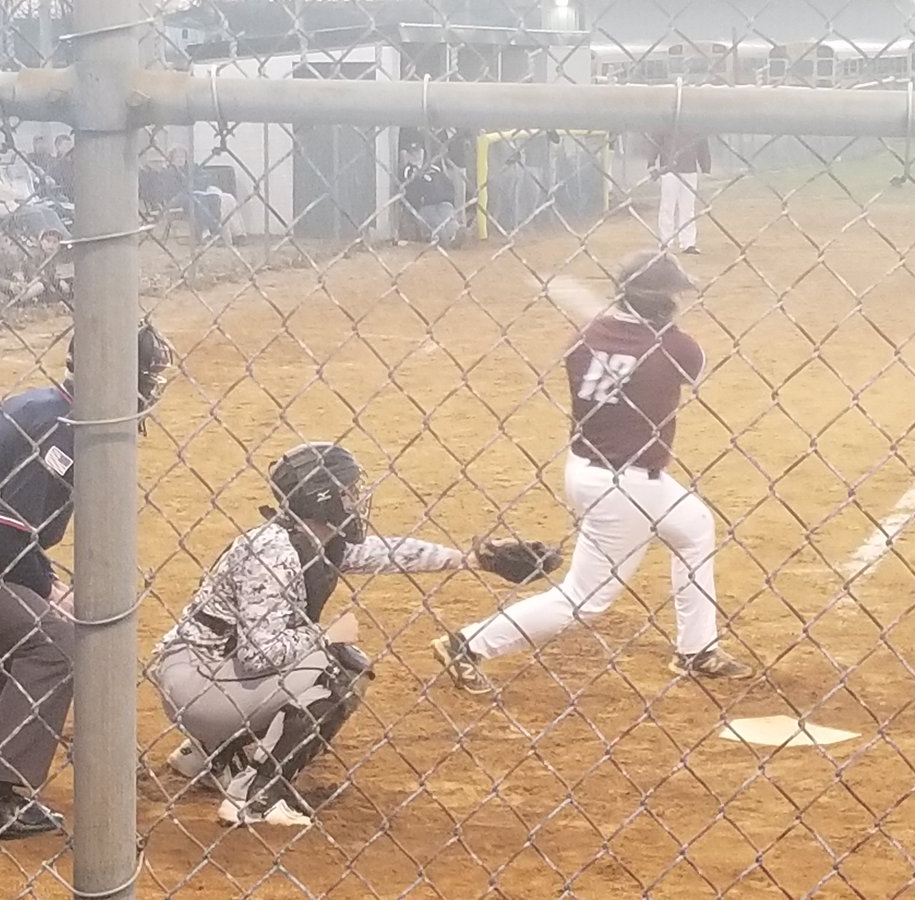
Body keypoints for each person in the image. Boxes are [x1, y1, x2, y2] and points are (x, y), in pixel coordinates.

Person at [150, 442, 558, 828]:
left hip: (209, 677)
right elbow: (259, 654)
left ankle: (214, 758)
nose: (356, 499)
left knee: (320, 658)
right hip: (198, 683)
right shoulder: (275, 552)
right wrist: (325, 636)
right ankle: (254, 797)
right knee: (339, 667)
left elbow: (388, 553)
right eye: (348, 491)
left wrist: (472, 560)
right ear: (323, 498)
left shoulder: (309, 539)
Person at [0, 323, 174, 842]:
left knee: (34, 627)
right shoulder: (59, 429)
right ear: (112, 376)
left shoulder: (50, 408)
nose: (150, 387)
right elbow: (6, 536)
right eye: (143, 374)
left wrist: (45, 587)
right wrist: (49, 590)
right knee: (56, 642)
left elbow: (6, 537)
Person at [432, 250, 752, 695]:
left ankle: (696, 649)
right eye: (672, 297)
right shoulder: (676, 349)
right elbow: (691, 365)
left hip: (589, 469)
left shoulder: (586, 338)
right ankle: (468, 644)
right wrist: (646, 338)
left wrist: (624, 335)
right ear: (660, 304)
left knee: (694, 526)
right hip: (628, 487)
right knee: (583, 599)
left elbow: (617, 355)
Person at [649, 131, 711, 255]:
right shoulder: (667, 123)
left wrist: (705, 166)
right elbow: (655, 142)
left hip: (689, 170)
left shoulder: (695, 125)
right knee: (667, 207)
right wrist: (651, 163)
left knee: (688, 208)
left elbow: (702, 144)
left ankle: (688, 243)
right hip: (668, 170)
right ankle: (665, 242)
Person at [400, 142, 459, 246]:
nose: (416, 156)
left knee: (449, 219)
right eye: (412, 153)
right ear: (408, 156)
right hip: (425, 205)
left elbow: (447, 184)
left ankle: (455, 236)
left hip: (443, 202)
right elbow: (409, 192)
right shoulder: (408, 170)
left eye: (418, 152)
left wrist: (449, 198)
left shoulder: (434, 167)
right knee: (436, 223)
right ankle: (444, 240)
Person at [21, 228, 72, 307]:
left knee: (65, 286)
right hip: (30, 285)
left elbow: (52, 275)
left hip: (46, 285)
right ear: (41, 242)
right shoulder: (33, 255)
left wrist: (59, 282)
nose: (51, 245)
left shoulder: (51, 258)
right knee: (39, 287)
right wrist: (49, 284)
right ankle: (20, 301)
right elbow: (32, 276)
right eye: (48, 241)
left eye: (55, 242)